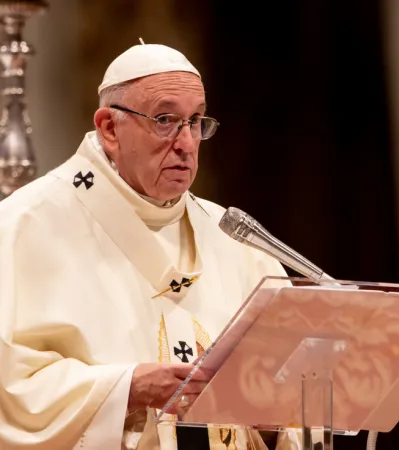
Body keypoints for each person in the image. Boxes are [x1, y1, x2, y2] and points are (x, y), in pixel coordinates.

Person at [0, 42, 300, 450]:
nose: (187, 143)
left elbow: (295, 389)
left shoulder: (234, 237)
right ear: (109, 128)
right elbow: (10, 391)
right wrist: (126, 387)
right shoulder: (24, 225)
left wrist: (272, 413)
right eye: (165, 120)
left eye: (195, 122)